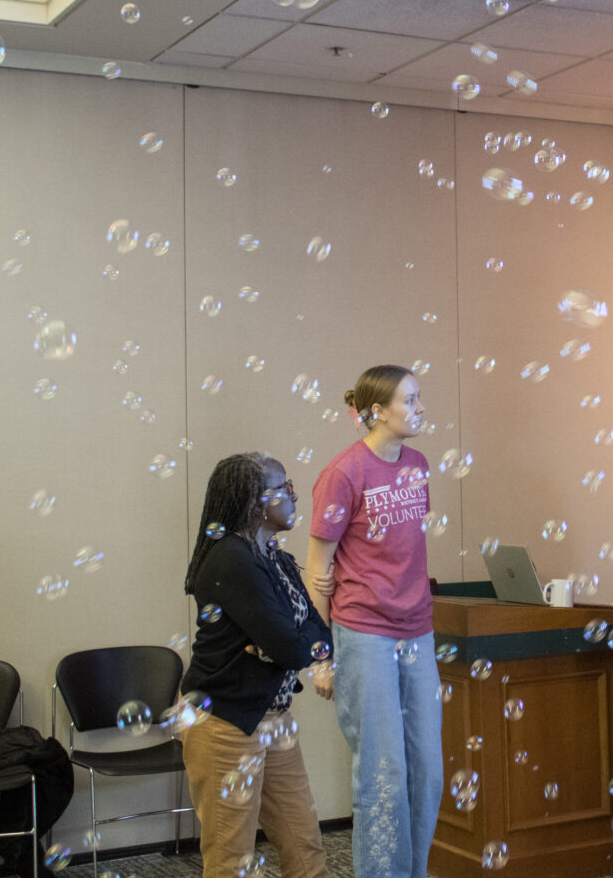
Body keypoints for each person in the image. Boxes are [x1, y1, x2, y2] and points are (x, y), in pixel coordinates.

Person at [305, 364, 440, 878]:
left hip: (418, 630)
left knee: (426, 771)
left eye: (419, 397)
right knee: (382, 773)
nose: (421, 407)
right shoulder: (343, 474)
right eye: (410, 400)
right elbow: (318, 570)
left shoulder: (420, 464)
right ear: (377, 412)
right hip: (363, 633)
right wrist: (322, 655)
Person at [180, 453, 333, 878]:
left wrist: (285, 644)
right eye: (283, 488)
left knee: (305, 846)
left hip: (273, 717)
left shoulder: (275, 557)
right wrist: (289, 644)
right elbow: (294, 648)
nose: (294, 495)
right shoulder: (233, 558)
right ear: (254, 500)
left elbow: (319, 633)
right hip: (225, 719)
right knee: (232, 859)